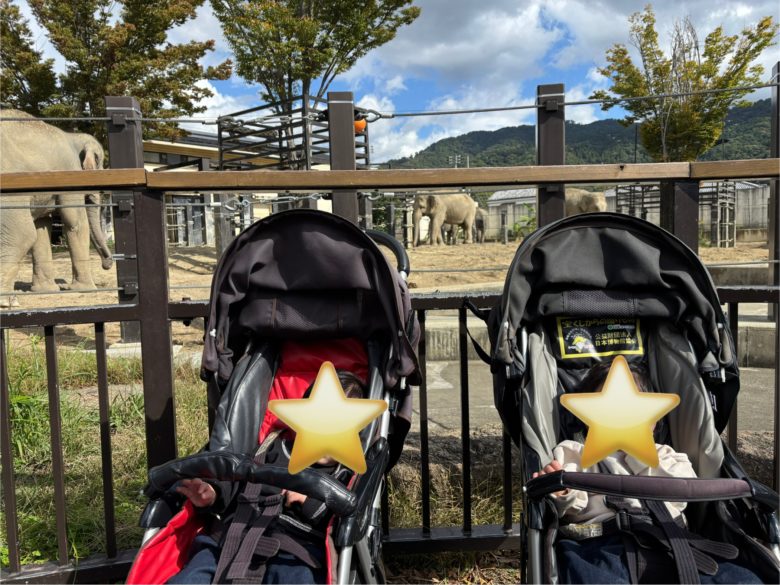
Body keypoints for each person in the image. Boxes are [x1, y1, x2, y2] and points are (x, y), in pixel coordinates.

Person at [534, 360, 761, 584]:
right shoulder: (576, 452)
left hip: (673, 541)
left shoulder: (667, 455)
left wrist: (639, 450)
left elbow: (683, 493)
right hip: (603, 544)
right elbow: (572, 508)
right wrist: (562, 493)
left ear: (654, 418)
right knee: (587, 575)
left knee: (742, 579)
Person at [167, 370, 366, 585]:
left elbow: (343, 520)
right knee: (192, 576)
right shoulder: (271, 448)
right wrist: (213, 492)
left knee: (301, 579)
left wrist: (309, 500)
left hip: (295, 552)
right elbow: (236, 475)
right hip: (232, 538)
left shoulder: (344, 473)